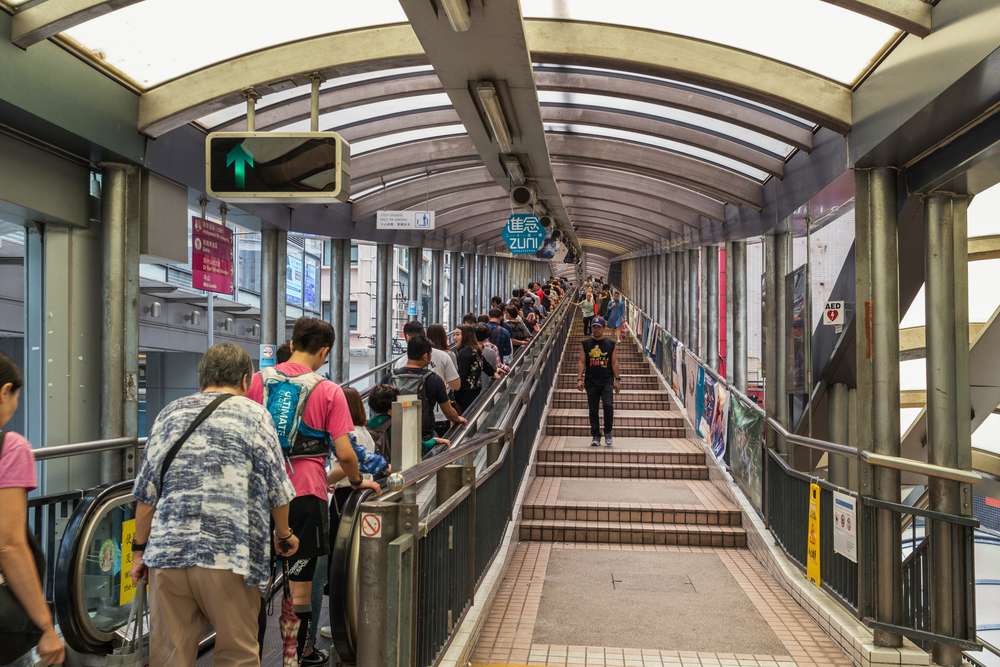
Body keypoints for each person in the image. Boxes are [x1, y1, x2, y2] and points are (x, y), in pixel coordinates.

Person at [129, 343, 299, 667]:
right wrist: (284, 534)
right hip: (229, 555)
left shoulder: (170, 413)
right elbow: (278, 489)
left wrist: (139, 550)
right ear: (246, 380)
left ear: (201, 377)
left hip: (167, 554)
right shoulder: (254, 415)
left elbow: (146, 492)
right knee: (236, 655)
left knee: (169, 657)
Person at [246, 318, 379, 667]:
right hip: (305, 493)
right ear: (324, 351)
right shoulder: (328, 390)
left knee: (254, 585)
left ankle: (251, 657)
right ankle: (292, 657)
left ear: (292, 344)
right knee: (299, 588)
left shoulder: (260, 381)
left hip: (257, 491)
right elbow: (347, 453)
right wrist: (354, 481)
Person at [0, 354, 64, 667]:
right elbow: (9, 545)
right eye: (16, 397)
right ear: (5, 391)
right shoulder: (10, 448)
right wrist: (45, 625)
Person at [391, 335, 467, 455]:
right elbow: (448, 410)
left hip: (395, 435)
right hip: (424, 435)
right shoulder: (433, 379)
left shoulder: (391, 378)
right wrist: (457, 418)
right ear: (426, 355)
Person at [396, 321, 460, 437]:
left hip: (403, 423)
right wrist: (456, 418)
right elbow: (456, 386)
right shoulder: (435, 375)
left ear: (406, 338)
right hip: (436, 420)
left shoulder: (397, 368)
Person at [576, 317, 621, 448]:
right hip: (591, 381)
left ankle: (607, 432)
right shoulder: (586, 344)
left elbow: (614, 362)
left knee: (608, 406)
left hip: (607, 381)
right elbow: (581, 361)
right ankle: (596, 435)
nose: (596, 329)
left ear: (603, 328)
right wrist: (579, 378)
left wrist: (617, 379)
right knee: (593, 410)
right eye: (594, 326)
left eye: (598, 327)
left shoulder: (610, 344)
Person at [454, 325, 500, 412]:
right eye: (454, 335)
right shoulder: (474, 349)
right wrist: (493, 373)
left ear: (465, 336)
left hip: (464, 394)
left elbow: (462, 376)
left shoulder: (464, 353)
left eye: (457, 334)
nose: (454, 338)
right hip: (475, 390)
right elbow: (484, 363)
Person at [366, 384, 398, 461]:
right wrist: (433, 440)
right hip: (393, 468)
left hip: (375, 469)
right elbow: (421, 447)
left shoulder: (366, 425)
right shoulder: (398, 423)